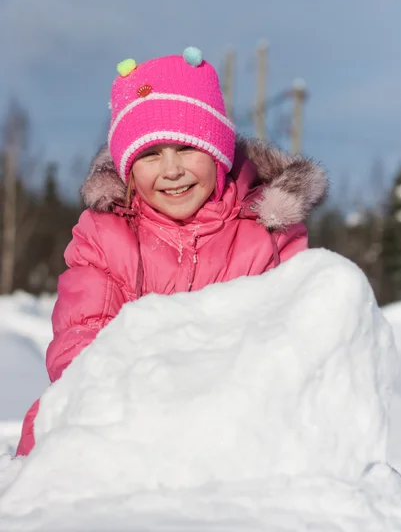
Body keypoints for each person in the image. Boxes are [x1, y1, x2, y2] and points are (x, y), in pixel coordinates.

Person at [16, 47, 328, 456]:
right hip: (118, 408)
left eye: (186, 148)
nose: (171, 170)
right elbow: (81, 333)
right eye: (149, 154)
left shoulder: (267, 237)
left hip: (232, 417)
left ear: (218, 153)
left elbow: (294, 339)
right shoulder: (105, 235)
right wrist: (129, 398)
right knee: (51, 436)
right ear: (128, 167)